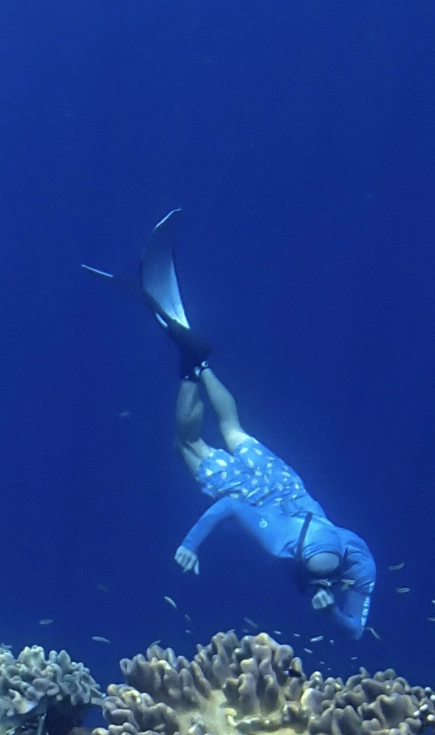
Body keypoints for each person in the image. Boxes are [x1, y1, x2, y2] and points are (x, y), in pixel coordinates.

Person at [84, 212, 376, 639]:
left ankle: (201, 362)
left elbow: (354, 630)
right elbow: (230, 507)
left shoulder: (359, 555)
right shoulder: (283, 543)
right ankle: (188, 365)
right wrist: (189, 545)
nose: (322, 588)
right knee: (187, 445)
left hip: (288, 485)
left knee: (234, 428)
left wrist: (333, 610)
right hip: (253, 497)